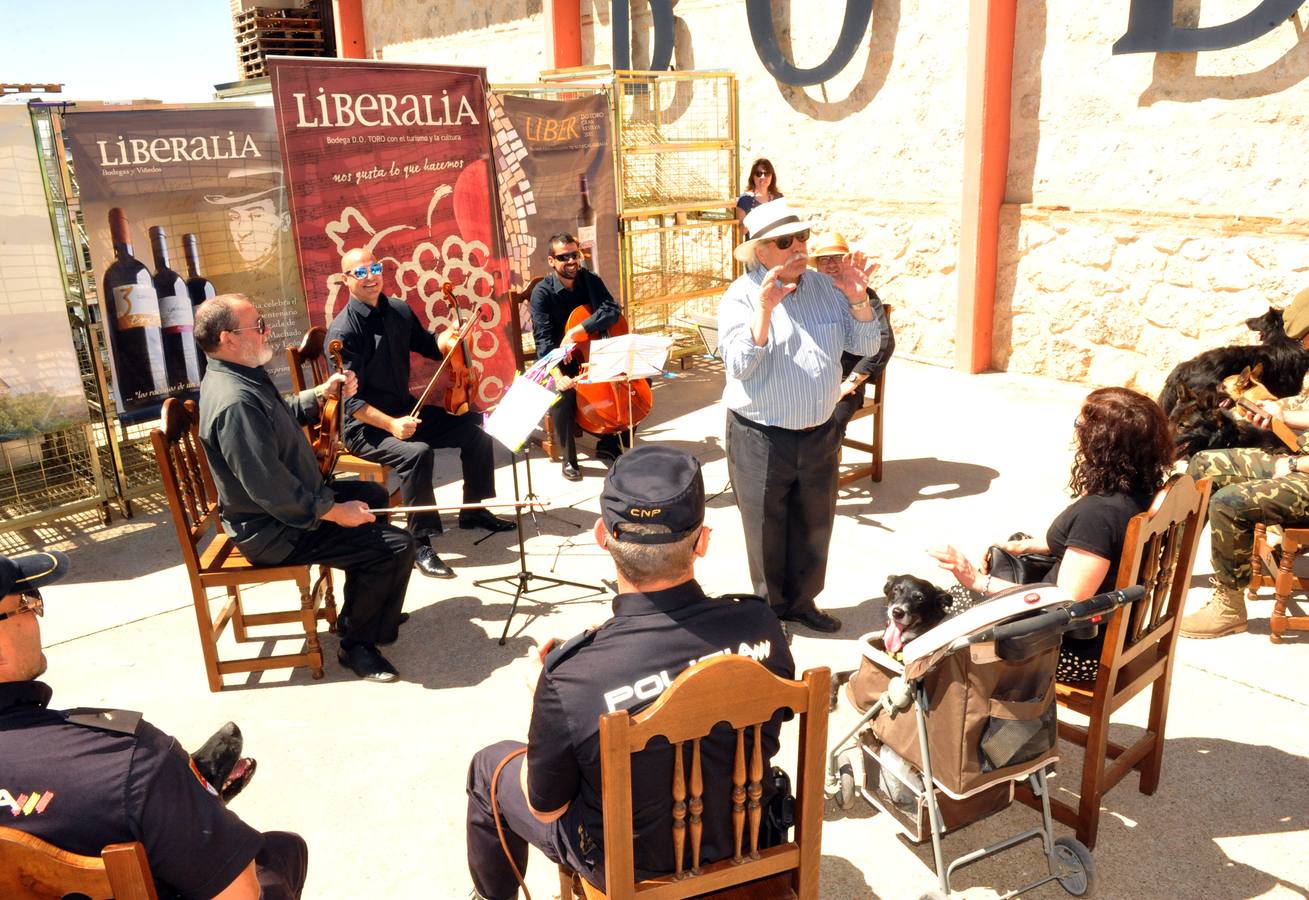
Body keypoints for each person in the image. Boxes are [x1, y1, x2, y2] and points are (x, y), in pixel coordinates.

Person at [464, 446, 794, 899]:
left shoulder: (573, 676)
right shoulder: (760, 624)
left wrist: (543, 695)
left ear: (602, 536)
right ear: (702, 540)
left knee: (490, 764)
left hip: (633, 867)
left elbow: (546, 808)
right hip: (746, 839)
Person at [0, 549, 308, 899]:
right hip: (133, 789)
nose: (36, 616)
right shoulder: (123, 756)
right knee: (281, 853)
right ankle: (188, 794)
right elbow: (239, 895)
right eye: (27, 604)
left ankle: (184, 796)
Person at [195, 293, 415, 683]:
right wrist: (333, 511)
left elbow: (279, 413)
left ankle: (366, 607)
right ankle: (357, 644)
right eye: (258, 326)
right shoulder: (234, 402)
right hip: (273, 530)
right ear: (228, 338)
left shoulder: (237, 374)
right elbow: (270, 489)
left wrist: (322, 394)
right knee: (395, 547)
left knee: (375, 498)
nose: (266, 332)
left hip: (283, 509)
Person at [929, 387, 1175, 681]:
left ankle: (946, 714)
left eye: (1080, 426)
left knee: (940, 615)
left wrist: (977, 580)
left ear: (1100, 443)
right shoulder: (1143, 489)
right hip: (1116, 634)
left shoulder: (1099, 514)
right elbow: (1102, 547)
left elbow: (1065, 603)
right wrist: (1024, 545)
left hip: (1068, 649)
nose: (1077, 432)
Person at [718, 199, 882, 634]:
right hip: (760, 434)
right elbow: (739, 365)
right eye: (785, 241)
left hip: (819, 430)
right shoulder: (740, 296)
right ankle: (769, 612)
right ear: (760, 251)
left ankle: (804, 601)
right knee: (765, 529)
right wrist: (765, 312)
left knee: (814, 523)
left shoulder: (826, 287)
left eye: (803, 237)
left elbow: (866, 346)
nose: (799, 248)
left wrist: (858, 299)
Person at [326, 248, 514, 580]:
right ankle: (419, 543)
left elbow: (428, 344)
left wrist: (447, 339)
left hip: (404, 411)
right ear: (346, 280)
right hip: (365, 426)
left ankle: (474, 509)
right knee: (417, 454)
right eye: (360, 272)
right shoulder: (343, 333)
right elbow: (348, 404)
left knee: (474, 426)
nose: (370, 276)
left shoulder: (397, 309)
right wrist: (392, 425)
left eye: (374, 268)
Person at [1179, 288, 1309, 638]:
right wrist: (1282, 413)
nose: (1305, 347)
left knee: (1229, 503)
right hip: (1301, 456)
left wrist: (1295, 467)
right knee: (1204, 464)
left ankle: (1229, 608)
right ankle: (1171, 564)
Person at [529, 233, 627, 481]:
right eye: (564, 257)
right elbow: (543, 342)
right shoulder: (542, 294)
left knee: (637, 382)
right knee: (565, 393)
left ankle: (609, 442)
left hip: (591, 355)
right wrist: (557, 375)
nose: (572, 261)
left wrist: (578, 329)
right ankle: (569, 459)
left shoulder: (589, 280)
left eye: (575, 254)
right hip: (559, 362)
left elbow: (612, 310)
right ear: (552, 261)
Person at [810, 231, 896, 436]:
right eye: (824, 259)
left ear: (847, 262)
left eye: (837, 258)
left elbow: (883, 343)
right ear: (816, 267)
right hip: (812, 381)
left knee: (827, 428)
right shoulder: (808, 297)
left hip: (846, 384)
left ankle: (825, 466)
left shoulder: (863, 296)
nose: (831, 264)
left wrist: (849, 384)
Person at [735, 158, 782, 235]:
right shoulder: (744, 200)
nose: (763, 177)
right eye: (758, 174)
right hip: (755, 245)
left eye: (767, 174)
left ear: (772, 176)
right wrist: (755, 218)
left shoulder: (779, 198)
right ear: (753, 176)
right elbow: (740, 232)